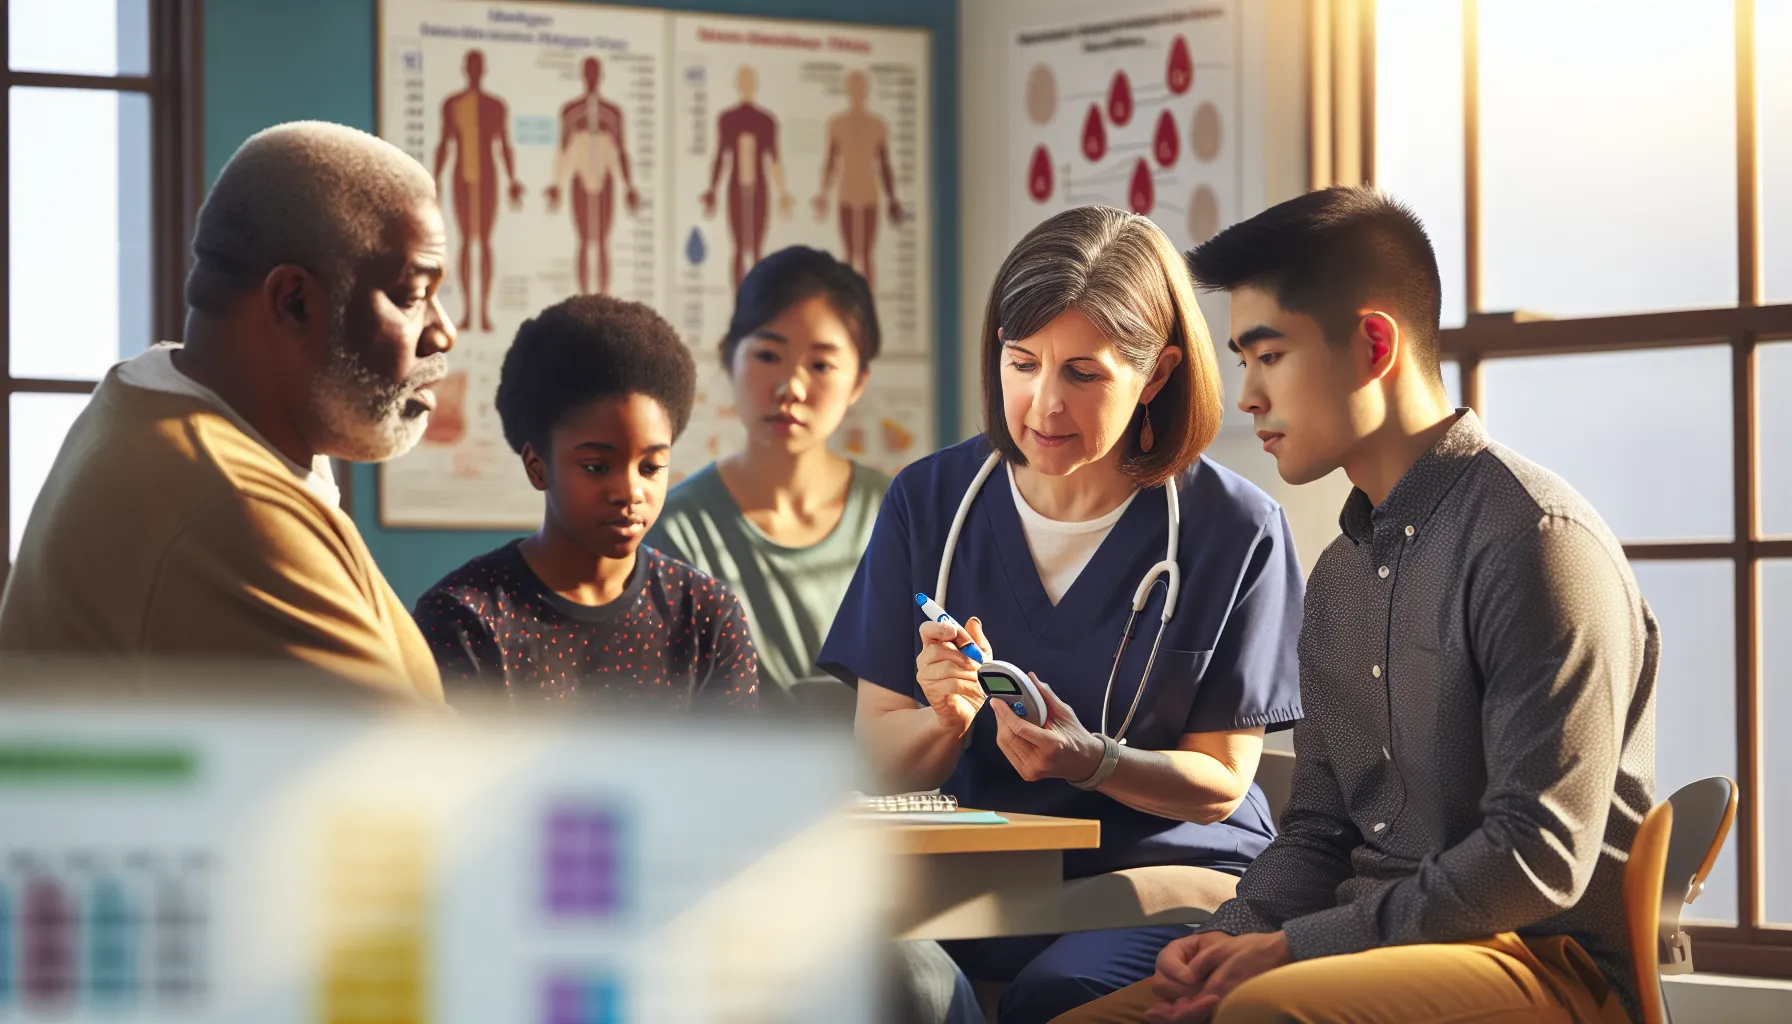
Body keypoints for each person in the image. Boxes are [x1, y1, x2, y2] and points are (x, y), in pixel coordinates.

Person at [1054, 188, 1657, 1024]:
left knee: (1260, 1015)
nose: (1248, 397)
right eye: (1240, 360)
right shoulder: (1339, 574)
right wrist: (1234, 939)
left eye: (1269, 356)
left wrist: (1292, 952)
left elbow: (1537, 854)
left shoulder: (1537, 541)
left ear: (1374, 344)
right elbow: (1319, 831)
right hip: (1353, 944)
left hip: (1534, 963)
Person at [819, 206, 1305, 1024]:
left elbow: (1221, 783)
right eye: (1022, 363)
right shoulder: (928, 502)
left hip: (1162, 880)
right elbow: (881, 751)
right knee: (888, 983)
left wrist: (1095, 763)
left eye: (1083, 373)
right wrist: (943, 721)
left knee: (1061, 995)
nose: (1042, 404)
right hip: (977, 881)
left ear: (1156, 374)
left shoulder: (1235, 529)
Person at [0, 121, 454, 700]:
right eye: (412, 295)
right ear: (294, 302)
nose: (444, 333)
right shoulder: (235, 507)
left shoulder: (148, 395)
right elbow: (416, 778)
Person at [413, 295, 758, 712]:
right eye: (597, 467)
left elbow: (729, 774)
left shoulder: (707, 616)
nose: (630, 491)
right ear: (538, 467)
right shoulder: (465, 618)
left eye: (651, 467)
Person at [647, 247, 888, 716]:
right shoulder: (675, 530)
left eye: (820, 365)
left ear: (858, 381)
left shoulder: (900, 515)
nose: (790, 388)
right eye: (768, 355)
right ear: (728, 358)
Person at [434, 49, 525, 333]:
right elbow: (444, 144)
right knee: (464, 241)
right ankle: (466, 312)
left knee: (484, 242)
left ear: (482, 70)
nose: (474, 70)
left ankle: (483, 313)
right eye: (470, 65)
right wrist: (433, 179)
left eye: (478, 66)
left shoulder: (496, 106)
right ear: (465, 69)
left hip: (488, 178)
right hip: (461, 177)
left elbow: (504, 145)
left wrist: (512, 180)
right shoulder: (452, 104)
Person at [544, 55, 639, 297]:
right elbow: (562, 151)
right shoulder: (570, 111)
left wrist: (629, 186)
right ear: (583, 76)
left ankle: (604, 296)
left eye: (595, 73)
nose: (592, 78)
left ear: (600, 76)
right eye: (588, 72)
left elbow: (621, 151)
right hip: (580, 180)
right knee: (585, 240)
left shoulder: (613, 113)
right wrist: (556, 184)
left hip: (606, 180)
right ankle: (585, 298)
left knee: (603, 240)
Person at [701, 65, 794, 290]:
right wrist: (712, 189)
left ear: (755, 85)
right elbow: (720, 157)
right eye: (743, 81)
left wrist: (782, 192)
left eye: (749, 81)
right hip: (735, 187)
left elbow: (774, 159)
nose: (746, 86)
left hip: (760, 189)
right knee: (739, 248)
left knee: (756, 248)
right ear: (738, 85)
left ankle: (757, 305)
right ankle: (739, 305)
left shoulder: (766, 120)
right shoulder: (728, 118)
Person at [813, 70, 903, 289]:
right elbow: (830, 163)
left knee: (866, 254)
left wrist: (892, 199)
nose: (857, 92)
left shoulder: (877, 125)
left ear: (866, 90)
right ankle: (848, 309)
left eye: (860, 87)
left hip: (869, 193)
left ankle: (867, 310)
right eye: (853, 87)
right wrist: (823, 194)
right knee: (850, 255)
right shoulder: (837, 124)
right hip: (846, 192)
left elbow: (884, 166)